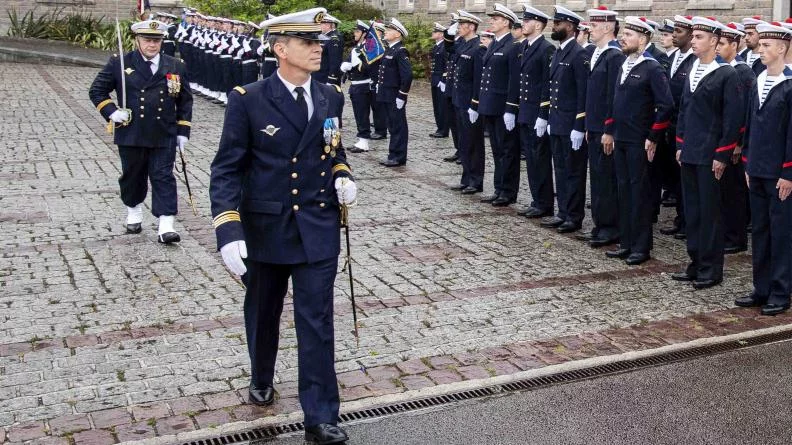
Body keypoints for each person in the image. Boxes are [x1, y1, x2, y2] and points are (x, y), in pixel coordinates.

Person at [209, 8, 355, 444]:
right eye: (307, 43)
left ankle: (320, 416)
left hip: (317, 225)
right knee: (263, 311)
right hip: (266, 227)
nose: (317, 49)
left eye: (320, 43)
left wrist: (343, 174)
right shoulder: (248, 98)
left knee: (317, 320)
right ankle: (261, 374)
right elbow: (227, 170)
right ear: (280, 49)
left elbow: (334, 147)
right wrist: (228, 230)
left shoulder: (331, 96)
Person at [88, 19, 193, 243]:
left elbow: (185, 101)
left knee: (163, 176)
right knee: (133, 176)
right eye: (147, 40)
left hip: (163, 132)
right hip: (132, 131)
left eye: (156, 40)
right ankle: (134, 210)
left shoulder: (175, 65)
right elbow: (97, 90)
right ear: (137, 40)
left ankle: (166, 225)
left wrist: (183, 131)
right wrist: (112, 112)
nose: (152, 45)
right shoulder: (120, 63)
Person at [672, 16, 741, 289]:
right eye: (694, 37)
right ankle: (695, 261)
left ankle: (711, 269)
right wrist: (679, 144)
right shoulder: (692, 67)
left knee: (710, 213)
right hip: (689, 151)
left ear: (714, 41)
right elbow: (684, 110)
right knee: (693, 212)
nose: (694, 41)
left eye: (700, 37)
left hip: (710, 155)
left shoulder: (727, 74)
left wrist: (722, 154)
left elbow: (732, 119)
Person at [735, 22, 792, 316]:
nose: (761, 49)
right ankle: (762, 288)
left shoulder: (790, 84)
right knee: (760, 230)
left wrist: (788, 173)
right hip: (756, 168)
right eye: (761, 44)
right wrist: (747, 161)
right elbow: (750, 125)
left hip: (779, 174)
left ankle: (781, 292)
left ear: (782, 48)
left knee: (781, 233)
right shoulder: (757, 79)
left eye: (767, 45)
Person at [608, 16, 673, 265]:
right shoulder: (625, 64)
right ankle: (626, 242)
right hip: (621, 139)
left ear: (643, 39)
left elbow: (666, 105)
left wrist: (653, 136)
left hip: (639, 141)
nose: (623, 38)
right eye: (623, 34)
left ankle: (641, 247)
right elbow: (616, 103)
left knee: (640, 194)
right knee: (623, 192)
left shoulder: (652, 67)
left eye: (629, 35)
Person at [537, 6, 589, 234]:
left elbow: (583, 93)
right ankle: (563, 212)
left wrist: (579, 125)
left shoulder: (579, 54)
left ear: (570, 26)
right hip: (557, 121)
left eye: (558, 23)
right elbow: (551, 87)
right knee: (559, 168)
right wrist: (545, 117)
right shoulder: (558, 52)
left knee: (573, 171)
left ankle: (574, 216)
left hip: (571, 124)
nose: (554, 27)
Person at [579, 6, 623, 248]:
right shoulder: (598, 53)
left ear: (607, 27)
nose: (590, 29)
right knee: (596, 176)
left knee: (606, 178)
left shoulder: (614, 56)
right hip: (594, 126)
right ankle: (599, 224)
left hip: (605, 129)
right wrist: (589, 124)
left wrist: (608, 129)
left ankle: (610, 227)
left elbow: (613, 97)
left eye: (594, 25)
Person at [507, 5, 555, 219]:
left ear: (537, 25)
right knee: (531, 160)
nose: (522, 25)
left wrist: (543, 115)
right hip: (525, 111)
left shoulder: (546, 49)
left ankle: (544, 203)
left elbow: (547, 84)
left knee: (540, 159)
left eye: (526, 21)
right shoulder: (523, 46)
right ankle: (537, 199)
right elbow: (518, 81)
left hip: (537, 112)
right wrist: (512, 108)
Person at [472, 3, 520, 207]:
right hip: (490, 104)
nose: (492, 21)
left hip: (502, 106)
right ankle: (499, 188)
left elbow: (514, 80)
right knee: (497, 149)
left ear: (506, 22)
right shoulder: (494, 44)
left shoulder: (513, 45)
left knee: (507, 150)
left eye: (496, 19)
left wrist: (511, 108)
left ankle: (508, 191)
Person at [717, 21, 755, 255]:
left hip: (735, 144)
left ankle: (736, 237)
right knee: (724, 191)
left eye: (722, 43)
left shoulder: (742, 71)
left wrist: (739, 143)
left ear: (734, 44)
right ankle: (727, 232)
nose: (718, 47)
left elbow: (744, 111)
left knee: (735, 193)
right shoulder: (722, 69)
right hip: (723, 140)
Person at [659, 15, 696, 239]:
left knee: (685, 181)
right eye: (674, 30)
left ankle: (687, 223)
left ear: (691, 35)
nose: (674, 34)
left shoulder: (693, 61)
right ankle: (680, 220)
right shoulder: (674, 58)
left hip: (684, 128)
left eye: (679, 31)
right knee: (674, 177)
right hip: (670, 126)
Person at [451, 10, 486, 194]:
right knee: (464, 142)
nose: (458, 28)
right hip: (459, 100)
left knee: (474, 142)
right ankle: (466, 177)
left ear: (471, 26)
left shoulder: (478, 48)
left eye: (461, 25)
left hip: (469, 102)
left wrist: (475, 103)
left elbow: (478, 79)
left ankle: (476, 180)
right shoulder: (463, 45)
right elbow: (451, 51)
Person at [376, 18, 413, 167]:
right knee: (392, 125)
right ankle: (393, 154)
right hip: (386, 93)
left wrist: (402, 94)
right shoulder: (390, 49)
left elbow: (407, 75)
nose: (386, 32)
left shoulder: (400, 51)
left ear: (398, 34)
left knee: (398, 125)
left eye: (390, 30)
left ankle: (398, 156)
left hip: (394, 95)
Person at [343, 20, 377, 153]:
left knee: (363, 113)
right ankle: (361, 139)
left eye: (357, 31)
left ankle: (364, 141)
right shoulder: (358, 46)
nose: (354, 33)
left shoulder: (369, 46)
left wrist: (357, 63)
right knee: (358, 113)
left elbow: (371, 66)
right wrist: (346, 64)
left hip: (364, 85)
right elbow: (349, 60)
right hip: (355, 85)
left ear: (364, 33)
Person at [430, 22, 449, 138]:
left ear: (442, 34)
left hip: (441, 79)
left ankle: (444, 130)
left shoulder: (444, 46)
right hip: (435, 79)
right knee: (436, 105)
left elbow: (447, 65)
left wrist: (444, 79)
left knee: (442, 106)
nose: (433, 33)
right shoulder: (437, 46)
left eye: (436, 32)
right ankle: (439, 127)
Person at [316, 14, 343, 85]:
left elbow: (335, 60)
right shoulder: (325, 36)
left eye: (321, 24)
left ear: (328, 25)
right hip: (320, 75)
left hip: (326, 77)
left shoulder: (334, 38)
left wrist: (332, 78)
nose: (319, 26)